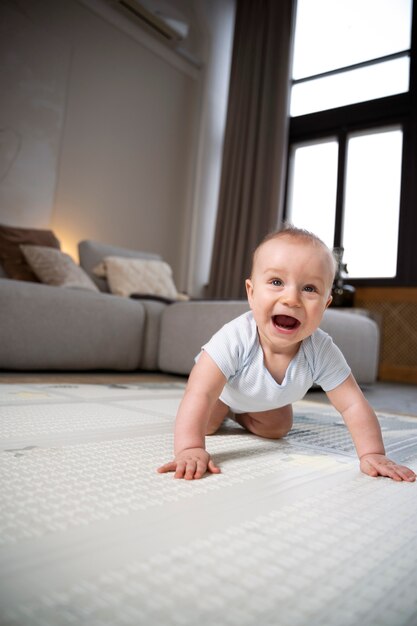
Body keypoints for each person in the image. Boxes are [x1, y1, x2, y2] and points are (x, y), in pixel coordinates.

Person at [157, 225, 416, 483]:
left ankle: (239, 414)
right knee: (207, 423)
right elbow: (200, 392)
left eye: (310, 289)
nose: (291, 299)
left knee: (278, 428)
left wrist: (372, 453)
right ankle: (226, 410)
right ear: (251, 292)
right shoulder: (235, 337)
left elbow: (353, 404)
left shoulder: (321, 350)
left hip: (265, 402)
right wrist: (190, 448)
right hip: (220, 393)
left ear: (325, 304)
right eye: (276, 282)